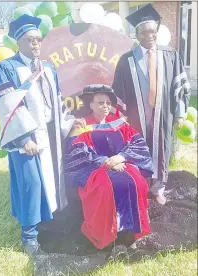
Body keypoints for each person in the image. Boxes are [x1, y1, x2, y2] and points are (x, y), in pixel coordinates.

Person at [0, 14, 85, 256]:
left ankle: (49, 223)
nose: (36, 44)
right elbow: (6, 105)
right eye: (30, 40)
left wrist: (70, 122)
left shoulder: (49, 68)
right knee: (30, 185)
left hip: (50, 134)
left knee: (52, 181)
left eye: (38, 39)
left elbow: (57, 101)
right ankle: (29, 238)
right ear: (18, 42)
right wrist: (25, 139)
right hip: (27, 138)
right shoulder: (7, 68)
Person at [112, 4, 191, 205]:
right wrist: (121, 116)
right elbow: (118, 90)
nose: (150, 35)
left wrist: (180, 113)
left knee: (161, 149)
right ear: (137, 34)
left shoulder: (171, 55)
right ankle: (141, 186)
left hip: (163, 115)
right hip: (137, 116)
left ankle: (158, 189)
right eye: (145, 32)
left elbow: (179, 86)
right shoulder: (126, 60)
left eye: (153, 31)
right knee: (138, 149)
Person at [64, 84, 154, 258]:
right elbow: (77, 151)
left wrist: (122, 156)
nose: (105, 106)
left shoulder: (119, 122)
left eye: (107, 103)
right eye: (100, 103)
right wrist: (105, 162)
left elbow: (137, 142)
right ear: (90, 105)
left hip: (121, 163)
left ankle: (130, 233)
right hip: (96, 168)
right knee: (106, 188)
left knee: (136, 182)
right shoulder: (83, 125)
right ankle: (106, 235)